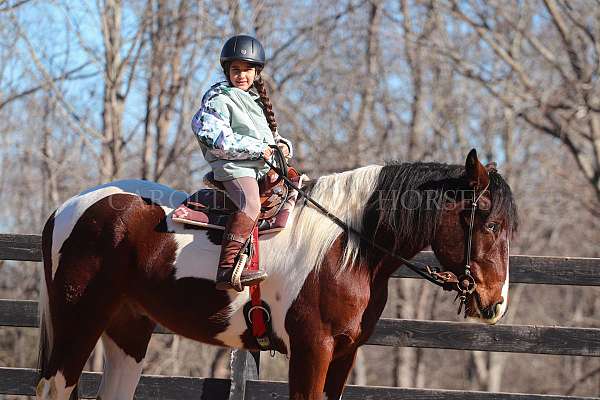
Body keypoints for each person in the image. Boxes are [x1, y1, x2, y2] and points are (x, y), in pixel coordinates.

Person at [191, 35, 293, 291]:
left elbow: (271, 138)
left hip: (258, 167)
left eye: (247, 70)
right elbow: (216, 138)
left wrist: (282, 147)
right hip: (234, 168)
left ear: (256, 72)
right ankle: (227, 267)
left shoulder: (255, 103)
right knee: (250, 204)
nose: (241, 76)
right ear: (227, 71)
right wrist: (261, 149)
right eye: (235, 70)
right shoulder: (218, 99)